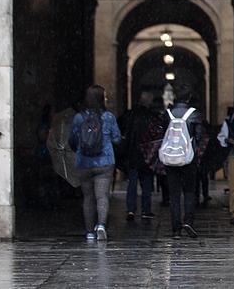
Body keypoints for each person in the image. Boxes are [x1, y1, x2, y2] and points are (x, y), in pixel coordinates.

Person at [69, 85, 121, 241]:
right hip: (104, 162)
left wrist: (79, 149)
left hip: (84, 162)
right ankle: (101, 226)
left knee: (88, 197)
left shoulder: (79, 117)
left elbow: (72, 140)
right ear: (101, 98)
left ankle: (89, 232)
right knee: (102, 196)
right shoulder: (108, 117)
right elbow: (117, 139)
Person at [165, 84, 205, 239]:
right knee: (189, 192)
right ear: (189, 98)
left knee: (174, 194)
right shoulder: (194, 114)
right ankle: (188, 221)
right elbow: (200, 136)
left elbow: (164, 134)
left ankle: (176, 229)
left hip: (170, 159)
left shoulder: (168, 113)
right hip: (189, 158)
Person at [124, 90, 157, 221]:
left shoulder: (130, 115)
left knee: (132, 182)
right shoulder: (151, 116)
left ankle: (131, 209)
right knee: (147, 183)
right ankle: (146, 209)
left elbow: (126, 135)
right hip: (147, 153)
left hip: (133, 153)